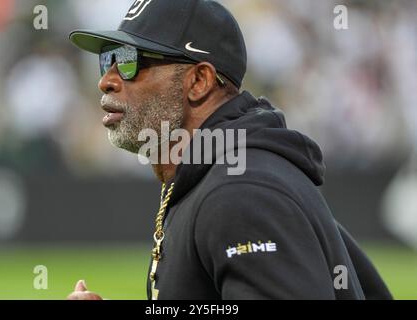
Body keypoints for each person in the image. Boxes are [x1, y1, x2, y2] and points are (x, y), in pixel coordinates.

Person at [67, 0, 392, 300]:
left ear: (199, 81)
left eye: (128, 61)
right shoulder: (221, 177)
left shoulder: (240, 192)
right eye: (107, 60)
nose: (106, 80)